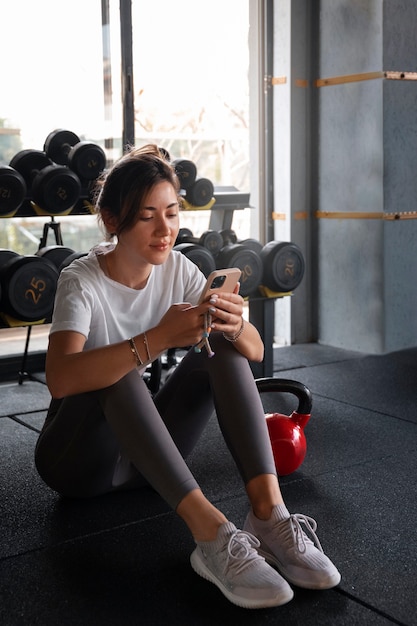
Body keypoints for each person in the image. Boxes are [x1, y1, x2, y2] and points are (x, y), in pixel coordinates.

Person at [35, 145, 341, 610]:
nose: (165, 230)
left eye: (173, 213)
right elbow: (59, 378)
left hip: (147, 462)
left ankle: (268, 514)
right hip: (77, 463)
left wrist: (236, 324)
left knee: (221, 342)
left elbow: (254, 352)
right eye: (147, 217)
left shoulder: (178, 268)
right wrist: (156, 338)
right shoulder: (82, 281)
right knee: (114, 372)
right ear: (113, 220)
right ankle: (213, 535)